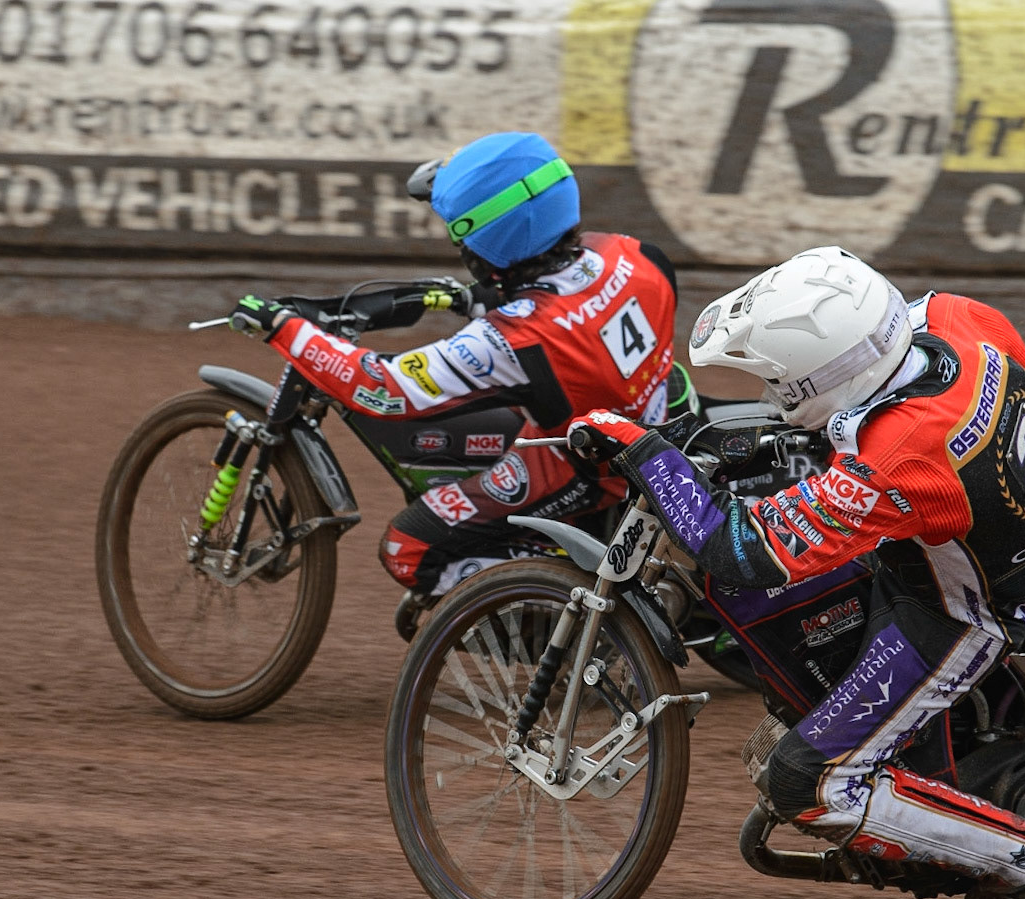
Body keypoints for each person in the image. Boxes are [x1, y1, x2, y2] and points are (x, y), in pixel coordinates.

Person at [566, 246, 1025, 899]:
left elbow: (741, 551)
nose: (769, 399)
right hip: (947, 544)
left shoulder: (901, 458)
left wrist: (642, 451)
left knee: (805, 781)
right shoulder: (952, 317)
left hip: (957, 617)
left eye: (779, 386)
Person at [227, 131, 686, 629]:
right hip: (654, 417)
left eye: (461, 235)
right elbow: (567, 298)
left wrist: (284, 329)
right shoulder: (634, 254)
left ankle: (586, 628)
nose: (459, 245)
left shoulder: (514, 338)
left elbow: (383, 388)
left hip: (584, 468)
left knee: (408, 546)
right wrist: (472, 296)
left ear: (490, 238)